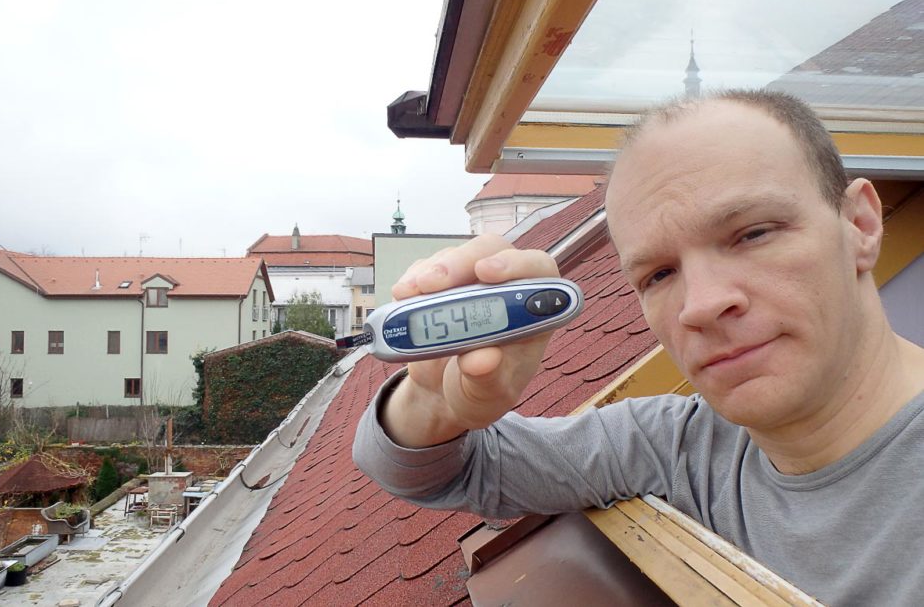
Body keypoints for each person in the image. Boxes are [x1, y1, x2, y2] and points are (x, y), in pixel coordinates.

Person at [353, 89, 924, 605]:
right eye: (657, 275)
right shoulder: (679, 446)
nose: (700, 304)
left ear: (861, 224)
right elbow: (428, 471)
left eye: (753, 233)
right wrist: (437, 402)